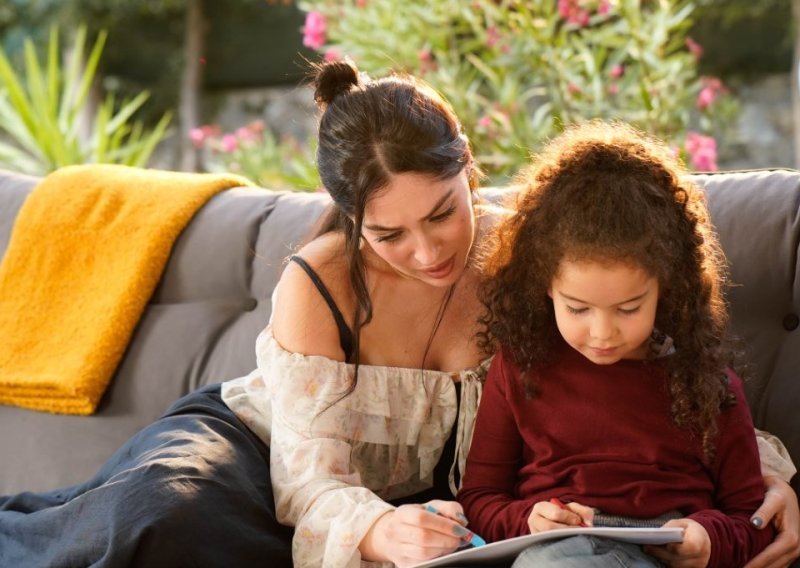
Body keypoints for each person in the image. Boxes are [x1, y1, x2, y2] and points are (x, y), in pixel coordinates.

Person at [0, 61, 797, 568]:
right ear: (351, 221)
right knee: (155, 523)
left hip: (411, 506)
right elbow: (309, 487)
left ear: (470, 174)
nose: (426, 252)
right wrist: (375, 533)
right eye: (389, 233)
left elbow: (627, 385)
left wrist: (772, 479)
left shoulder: (526, 259)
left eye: (443, 214)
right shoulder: (319, 282)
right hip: (263, 456)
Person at [457, 120, 785, 568]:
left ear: (664, 287)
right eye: (578, 308)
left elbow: (750, 517)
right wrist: (527, 520)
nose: (602, 332)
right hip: (556, 550)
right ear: (545, 286)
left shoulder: (708, 383)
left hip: (665, 550)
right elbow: (479, 499)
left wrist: (709, 541)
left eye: (628, 309)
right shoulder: (519, 368)